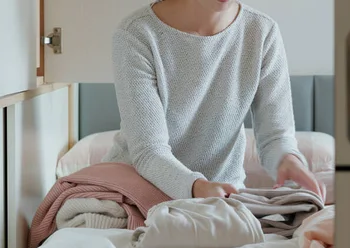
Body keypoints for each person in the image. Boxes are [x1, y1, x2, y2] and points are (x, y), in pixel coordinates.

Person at [101, 0, 325, 200]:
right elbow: (149, 151)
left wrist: (289, 161)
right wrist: (196, 187)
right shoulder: (136, 33)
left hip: (225, 199)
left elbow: (275, 137)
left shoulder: (262, 32)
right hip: (136, 196)